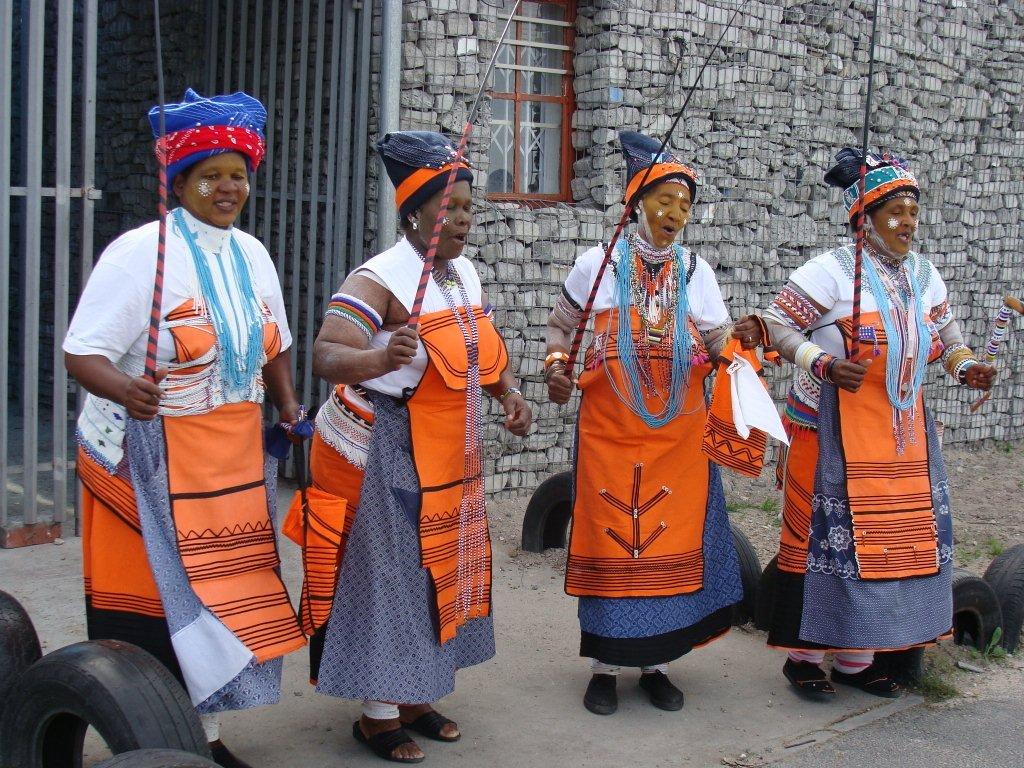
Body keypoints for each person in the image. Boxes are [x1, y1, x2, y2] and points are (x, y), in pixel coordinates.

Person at [64, 89, 305, 768]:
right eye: (210, 175)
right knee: (157, 603)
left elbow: (275, 341)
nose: (228, 188)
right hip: (147, 455)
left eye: (238, 174)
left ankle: (206, 741)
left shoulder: (254, 254)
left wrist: (287, 407)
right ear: (179, 181)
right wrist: (125, 388)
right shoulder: (142, 254)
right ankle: (146, 738)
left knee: (227, 597)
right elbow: (82, 350)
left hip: (229, 455)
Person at [310, 130, 532, 764]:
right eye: (450, 209)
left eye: (468, 208)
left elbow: (478, 357)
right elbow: (328, 352)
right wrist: (380, 355)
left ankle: (418, 693)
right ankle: (378, 715)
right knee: (392, 573)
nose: (462, 221)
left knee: (441, 567)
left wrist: (507, 393)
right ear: (414, 212)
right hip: (388, 445)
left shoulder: (463, 274)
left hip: (451, 447)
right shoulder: (380, 278)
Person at [760, 149, 996, 698]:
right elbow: (774, 326)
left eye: (913, 212)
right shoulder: (829, 272)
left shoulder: (924, 274)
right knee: (827, 543)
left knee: (887, 542)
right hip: (830, 431)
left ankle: (858, 660)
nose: (907, 223)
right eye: (894, 212)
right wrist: (821, 362)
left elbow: (945, 336)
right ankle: (803, 659)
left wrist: (967, 367)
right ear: (863, 219)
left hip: (900, 434)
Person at [544, 131, 764, 716]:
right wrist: (555, 369)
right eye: (664, 200)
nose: (674, 214)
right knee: (612, 546)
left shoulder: (696, 269)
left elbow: (718, 342)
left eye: (685, 205)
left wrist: (737, 350)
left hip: (678, 439)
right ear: (637, 202)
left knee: (669, 543)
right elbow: (561, 331)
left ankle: (657, 665)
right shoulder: (599, 261)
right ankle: (603, 668)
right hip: (608, 433)